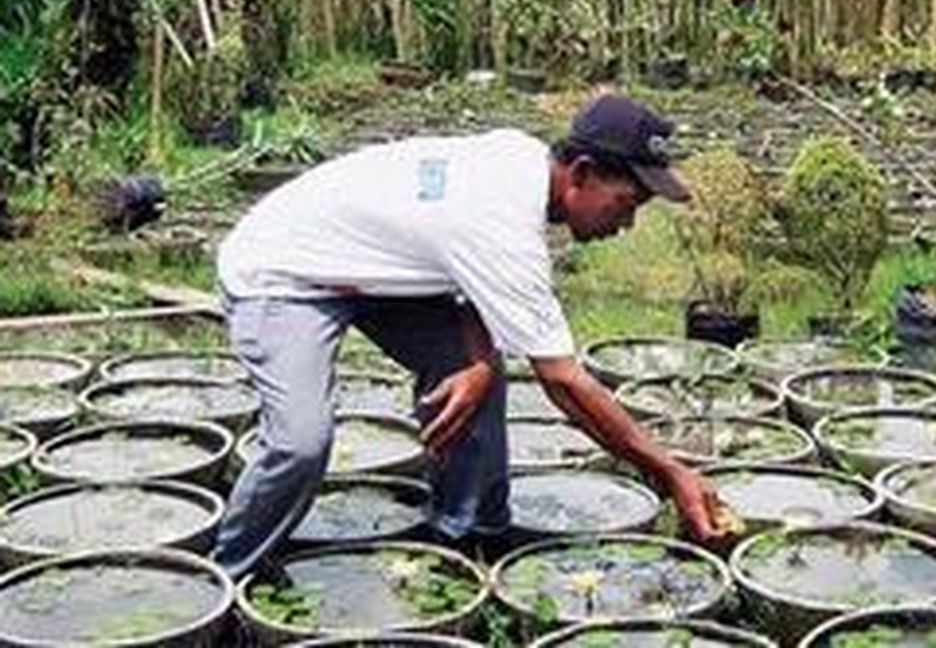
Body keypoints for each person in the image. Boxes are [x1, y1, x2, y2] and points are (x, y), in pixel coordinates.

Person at [212, 94, 723, 578]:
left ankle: (465, 535)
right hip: (282, 272)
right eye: (627, 202)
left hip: (375, 269)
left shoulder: (523, 160)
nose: (628, 223)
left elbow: (464, 272)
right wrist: (670, 470)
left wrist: (479, 361)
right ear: (582, 173)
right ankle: (228, 572)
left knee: (475, 375)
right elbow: (564, 383)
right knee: (302, 442)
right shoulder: (501, 221)